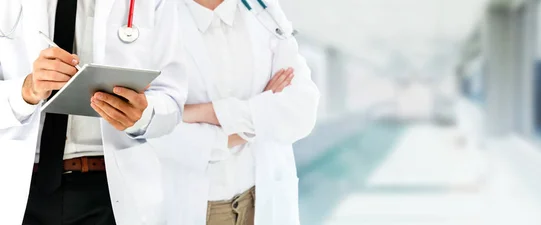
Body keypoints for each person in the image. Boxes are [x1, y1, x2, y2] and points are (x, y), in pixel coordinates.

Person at [0, 0, 186, 224]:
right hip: (18, 188)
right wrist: (25, 91)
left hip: (110, 192)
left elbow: (172, 101)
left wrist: (142, 115)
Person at [149, 0, 320, 224]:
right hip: (197, 206)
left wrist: (204, 112)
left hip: (261, 199)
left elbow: (302, 111)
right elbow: (150, 127)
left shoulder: (265, 11)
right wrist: (258, 117)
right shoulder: (154, 18)